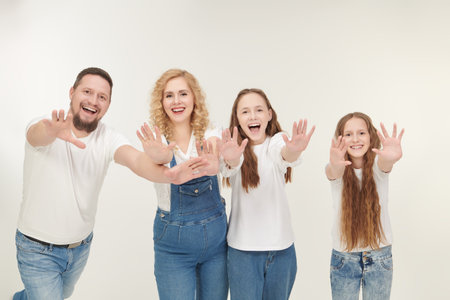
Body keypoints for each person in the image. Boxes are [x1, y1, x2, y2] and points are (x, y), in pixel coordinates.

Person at [13, 67, 209, 300]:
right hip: (36, 249)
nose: (93, 101)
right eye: (87, 91)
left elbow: (136, 160)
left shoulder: (107, 137)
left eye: (102, 97)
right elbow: (35, 135)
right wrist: (51, 132)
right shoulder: (47, 125)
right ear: (72, 92)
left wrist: (169, 174)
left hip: (79, 248)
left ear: (107, 104)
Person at [137, 68, 232, 300]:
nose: (176, 101)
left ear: (194, 98)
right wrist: (158, 157)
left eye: (183, 94)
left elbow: (213, 144)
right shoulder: (156, 141)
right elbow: (155, 167)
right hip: (173, 247)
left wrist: (212, 158)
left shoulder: (210, 131)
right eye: (169, 95)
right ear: (161, 102)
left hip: (216, 243)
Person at [221, 88, 315, 300]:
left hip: (281, 252)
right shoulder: (232, 148)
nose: (252, 116)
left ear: (269, 114)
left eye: (259, 110)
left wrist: (295, 149)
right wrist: (232, 158)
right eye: (245, 111)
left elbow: (285, 154)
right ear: (237, 117)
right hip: (242, 253)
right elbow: (232, 165)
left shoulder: (277, 141)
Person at [325, 112, 404, 300]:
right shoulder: (338, 168)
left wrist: (391, 157)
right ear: (340, 139)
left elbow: (385, 163)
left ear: (371, 136)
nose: (355, 139)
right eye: (348, 134)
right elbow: (332, 170)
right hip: (344, 258)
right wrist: (335, 163)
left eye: (361, 133)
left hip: (379, 256)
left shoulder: (378, 165)